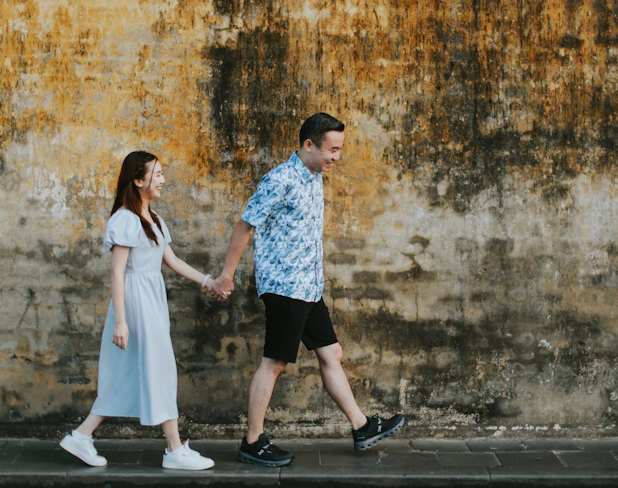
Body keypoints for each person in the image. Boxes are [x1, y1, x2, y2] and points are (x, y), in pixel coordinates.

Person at [209, 113, 405, 467]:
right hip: (285, 286)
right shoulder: (281, 179)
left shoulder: (314, 175)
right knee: (275, 362)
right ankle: (252, 441)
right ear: (309, 145)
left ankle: (361, 426)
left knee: (332, 354)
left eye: (340, 150)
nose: (336, 157)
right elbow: (245, 225)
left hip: (309, 286)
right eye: (332, 149)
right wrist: (227, 276)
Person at [59, 151, 215, 471]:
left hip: (151, 301)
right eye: (156, 174)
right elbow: (117, 272)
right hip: (135, 303)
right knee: (159, 370)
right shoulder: (126, 219)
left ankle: (82, 435)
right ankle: (174, 449)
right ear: (138, 180)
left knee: (129, 374)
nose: (162, 179)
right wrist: (120, 321)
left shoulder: (153, 218)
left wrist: (208, 281)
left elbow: (170, 260)